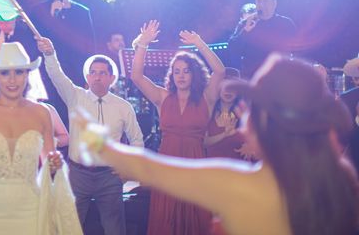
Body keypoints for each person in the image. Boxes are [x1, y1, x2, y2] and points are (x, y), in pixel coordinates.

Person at [75, 54, 359, 235]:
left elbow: (140, 167)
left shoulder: (242, 185)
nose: (245, 118)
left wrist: (88, 133)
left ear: (266, 125)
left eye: (253, 109)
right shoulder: (342, 182)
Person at [0, 42, 81, 235]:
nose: (12, 80)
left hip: (30, 209)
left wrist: (54, 165)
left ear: (27, 75)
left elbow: (48, 160)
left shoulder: (41, 113)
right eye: (5, 73)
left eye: (19, 72)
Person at [36, 36, 143, 235]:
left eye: (102, 73)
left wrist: (129, 169)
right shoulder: (75, 96)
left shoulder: (123, 107)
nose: (97, 77)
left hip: (110, 176)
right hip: (78, 174)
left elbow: (137, 139)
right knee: (70, 227)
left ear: (112, 78)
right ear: (87, 77)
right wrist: (49, 54)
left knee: (115, 230)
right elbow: (56, 75)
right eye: (93, 73)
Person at [130, 20, 226, 235]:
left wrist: (199, 43)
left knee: (196, 218)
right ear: (171, 75)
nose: (181, 76)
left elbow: (219, 71)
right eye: (176, 72)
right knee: (167, 219)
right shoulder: (162, 97)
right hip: (168, 165)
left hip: (195, 165)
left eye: (186, 71)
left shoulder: (206, 98)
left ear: (194, 74)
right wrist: (143, 44)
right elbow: (136, 76)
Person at [11, 0, 96, 124]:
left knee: (73, 113)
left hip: (73, 71)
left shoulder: (82, 12)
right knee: (48, 111)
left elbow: (88, 46)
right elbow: (34, 40)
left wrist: (88, 73)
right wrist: (52, 15)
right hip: (46, 69)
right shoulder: (40, 10)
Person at [228, 0, 296, 80]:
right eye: (258, 1)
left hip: (280, 81)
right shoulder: (246, 23)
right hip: (253, 82)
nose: (261, 4)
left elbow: (298, 52)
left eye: (265, 1)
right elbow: (232, 50)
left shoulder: (286, 24)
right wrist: (245, 32)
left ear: (274, 3)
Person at [204, 68, 247, 159]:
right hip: (212, 168)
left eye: (232, 87)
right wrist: (224, 134)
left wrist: (251, 147)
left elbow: (258, 141)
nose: (228, 91)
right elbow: (203, 142)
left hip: (238, 169)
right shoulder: (209, 109)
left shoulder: (244, 112)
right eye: (224, 86)